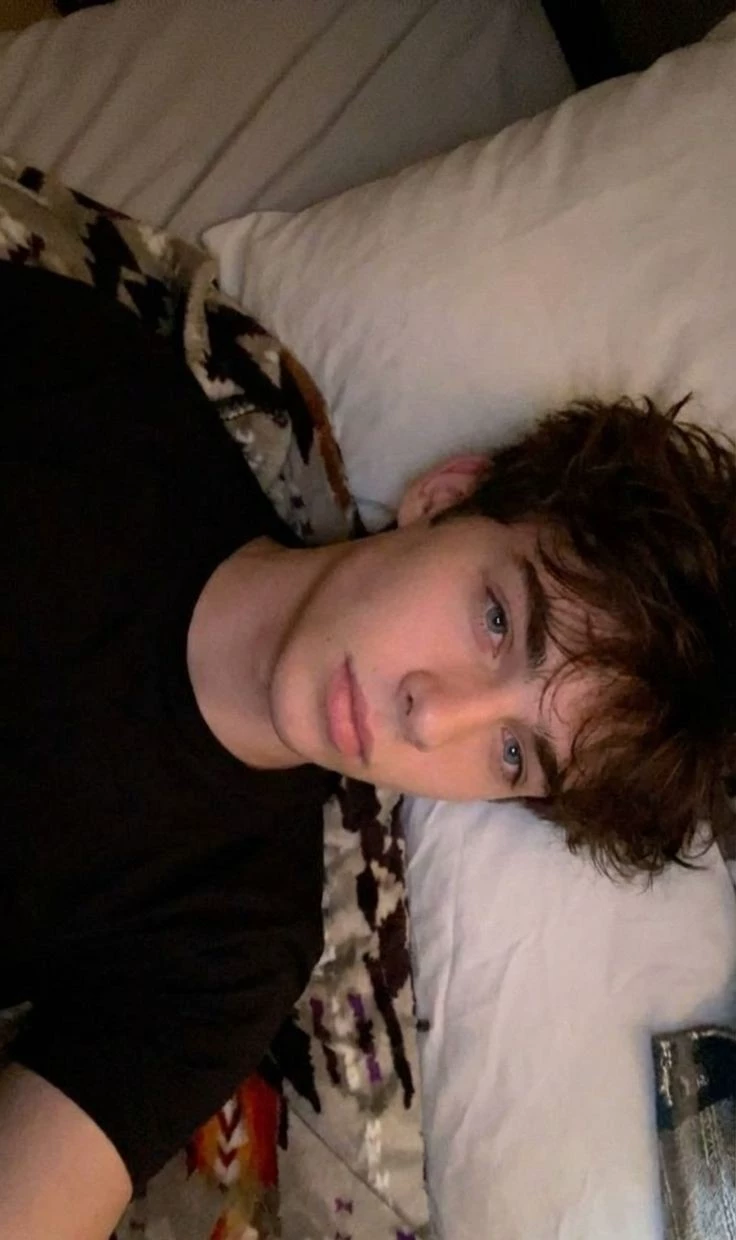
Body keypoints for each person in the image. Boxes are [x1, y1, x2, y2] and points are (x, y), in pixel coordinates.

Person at [1, 259, 734, 1240]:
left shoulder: (231, 952)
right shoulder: (101, 398)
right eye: (496, 620)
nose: (434, 719)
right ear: (446, 496)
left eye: (514, 754)